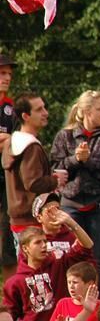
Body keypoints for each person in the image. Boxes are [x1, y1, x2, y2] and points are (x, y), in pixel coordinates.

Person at [48, 90, 100, 295]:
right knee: (69, 255)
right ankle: (69, 300)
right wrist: (75, 160)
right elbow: (54, 168)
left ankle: (96, 302)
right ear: (86, 112)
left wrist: (88, 161)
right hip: (70, 205)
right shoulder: (65, 135)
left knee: (96, 255)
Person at [3, 222, 94, 321]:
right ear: (25, 248)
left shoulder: (59, 265)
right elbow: (9, 316)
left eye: (45, 241)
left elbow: (86, 248)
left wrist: (70, 221)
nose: (44, 245)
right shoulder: (15, 282)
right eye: (38, 242)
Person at [3, 94, 65, 248]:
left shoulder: (13, 141)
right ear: (26, 116)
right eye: (39, 110)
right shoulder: (30, 147)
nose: (46, 113)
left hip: (18, 219)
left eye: (44, 108)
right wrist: (56, 180)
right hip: (31, 220)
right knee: (34, 269)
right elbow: (32, 183)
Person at [0, 54, 16, 275]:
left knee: (7, 240)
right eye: (2, 73)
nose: (7, 78)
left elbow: (17, 141)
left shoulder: (11, 107)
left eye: (9, 74)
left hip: (6, 180)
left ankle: (9, 302)